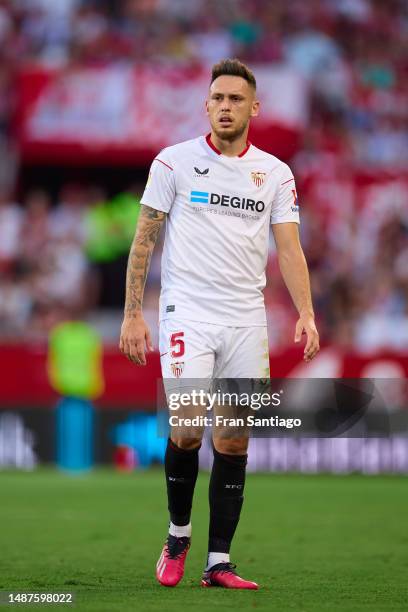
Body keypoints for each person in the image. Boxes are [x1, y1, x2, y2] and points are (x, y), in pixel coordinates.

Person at [119, 58, 319, 590]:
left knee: (233, 442)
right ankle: (178, 535)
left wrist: (306, 310)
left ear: (255, 107)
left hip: (246, 318)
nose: (225, 106)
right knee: (186, 427)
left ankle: (218, 563)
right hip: (187, 310)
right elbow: (144, 238)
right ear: (205, 105)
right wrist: (132, 311)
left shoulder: (275, 173)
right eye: (217, 99)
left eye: (236, 99)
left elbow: (289, 248)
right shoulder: (173, 162)